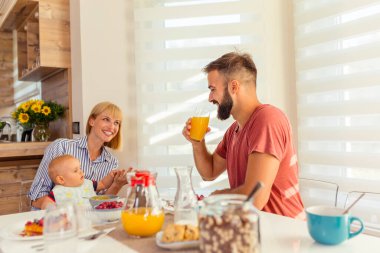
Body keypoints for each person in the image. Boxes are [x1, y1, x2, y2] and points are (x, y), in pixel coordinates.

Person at [182, 52, 304, 219]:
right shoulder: (234, 131)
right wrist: (197, 143)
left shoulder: (268, 120)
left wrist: (216, 197)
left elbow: (255, 198)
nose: (210, 98)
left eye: (212, 89)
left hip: (284, 233)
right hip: (254, 228)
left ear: (234, 87)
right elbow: (209, 171)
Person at [29, 101, 129, 210]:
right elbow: (36, 197)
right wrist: (61, 213)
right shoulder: (62, 146)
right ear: (92, 121)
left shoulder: (111, 161)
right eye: (106, 119)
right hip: (55, 219)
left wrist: (117, 184)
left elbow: (100, 204)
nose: (111, 127)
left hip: (89, 221)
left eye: (116, 123)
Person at [41, 155, 123, 209]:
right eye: (75, 170)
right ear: (61, 179)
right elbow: (45, 205)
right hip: (72, 223)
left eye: (80, 168)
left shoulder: (87, 183)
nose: (81, 172)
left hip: (94, 218)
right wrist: (54, 212)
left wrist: (111, 176)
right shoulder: (57, 192)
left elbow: (103, 184)